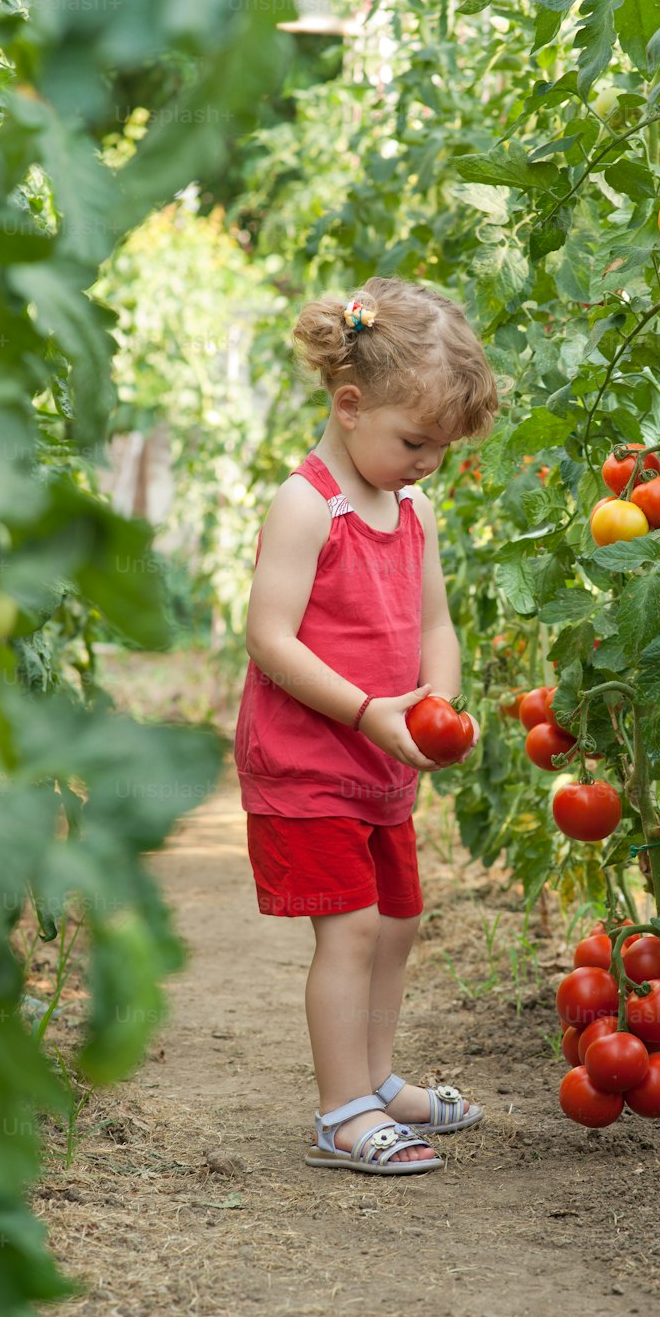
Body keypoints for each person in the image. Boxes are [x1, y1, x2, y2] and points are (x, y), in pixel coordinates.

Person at [234, 277, 499, 1176]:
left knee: (396, 922)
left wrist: (441, 702)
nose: (428, 463)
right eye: (415, 441)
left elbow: (436, 627)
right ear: (349, 406)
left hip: (383, 757)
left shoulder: (415, 510)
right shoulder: (308, 505)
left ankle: (379, 1081)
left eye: (441, 449)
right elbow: (268, 638)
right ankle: (342, 1111)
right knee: (346, 929)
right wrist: (364, 710)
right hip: (308, 759)